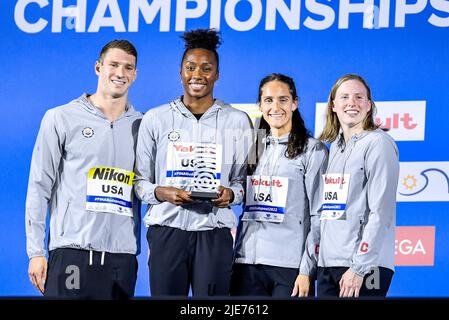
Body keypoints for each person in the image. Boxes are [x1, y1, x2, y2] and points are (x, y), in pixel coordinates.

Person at [134, 28, 253, 297]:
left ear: (217, 74)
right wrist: (160, 192)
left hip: (215, 232)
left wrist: (231, 194)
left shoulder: (239, 120)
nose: (197, 74)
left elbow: (246, 183)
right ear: (180, 72)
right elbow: (139, 181)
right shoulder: (155, 118)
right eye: (190, 67)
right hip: (167, 231)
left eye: (206, 68)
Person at [26, 40, 142, 299]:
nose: (120, 73)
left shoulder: (143, 126)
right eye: (113, 65)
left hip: (121, 259)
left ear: (135, 74)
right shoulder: (61, 117)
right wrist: (36, 252)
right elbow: (39, 186)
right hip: (73, 251)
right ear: (98, 67)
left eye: (128, 67)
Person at [230, 73, 328, 297]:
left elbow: (319, 214)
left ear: (295, 103)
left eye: (283, 99)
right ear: (260, 105)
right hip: (246, 264)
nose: (276, 107)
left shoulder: (313, 150)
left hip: (289, 267)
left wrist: (306, 270)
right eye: (268, 100)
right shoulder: (252, 148)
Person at [317, 74, 399, 298]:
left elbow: (381, 212)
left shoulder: (378, 143)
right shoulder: (333, 148)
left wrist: (359, 267)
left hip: (364, 266)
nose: (351, 103)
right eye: (344, 97)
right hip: (329, 264)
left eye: (359, 97)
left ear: (369, 105)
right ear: (333, 105)